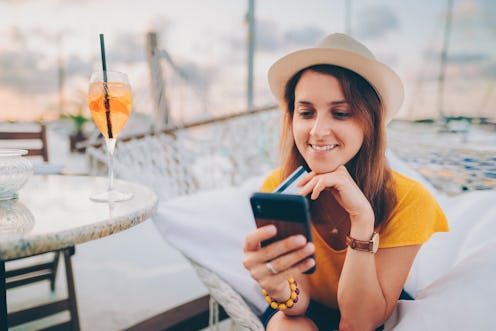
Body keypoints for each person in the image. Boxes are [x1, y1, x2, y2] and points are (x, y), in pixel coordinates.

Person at [242, 33, 449, 331]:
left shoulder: (410, 199)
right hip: (306, 309)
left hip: (371, 305)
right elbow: (296, 305)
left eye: (340, 113)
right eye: (306, 113)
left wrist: (362, 219)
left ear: (371, 122)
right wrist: (279, 287)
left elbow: (359, 323)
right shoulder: (280, 186)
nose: (318, 131)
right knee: (288, 326)